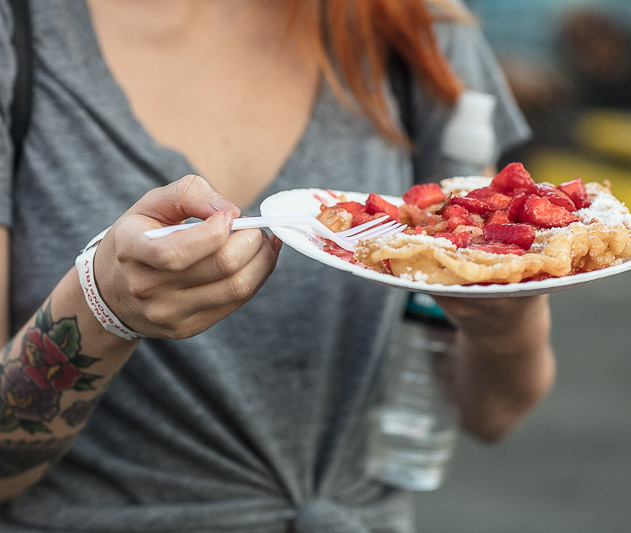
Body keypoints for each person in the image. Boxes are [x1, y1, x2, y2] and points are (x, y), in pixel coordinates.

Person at [0, 1, 555, 531]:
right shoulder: (21, 33)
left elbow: (494, 415)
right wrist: (101, 304)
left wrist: (504, 324)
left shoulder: (413, 23)